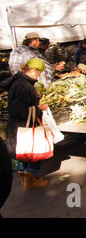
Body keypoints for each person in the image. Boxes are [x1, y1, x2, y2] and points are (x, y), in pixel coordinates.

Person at [1, 58, 50, 190]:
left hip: (18, 126)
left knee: (23, 151)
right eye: (39, 72)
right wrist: (39, 108)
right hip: (24, 126)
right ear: (33, 70)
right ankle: (30, 180)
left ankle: (25, 179)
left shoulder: (18, 81)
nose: (39, 75)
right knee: (34, 151)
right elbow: (19, 110)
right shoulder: (24, 86)